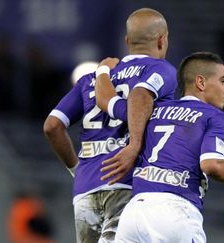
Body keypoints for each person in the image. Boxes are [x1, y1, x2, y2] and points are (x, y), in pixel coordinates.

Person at [43, 8, 177, 243]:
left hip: (85, 189)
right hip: (128, 182)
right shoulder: (160, 70)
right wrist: (135, 144)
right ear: (162, 39)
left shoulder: (90, 79)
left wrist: (77, 169)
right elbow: (140, 97)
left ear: (127, 41)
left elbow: (52, 126)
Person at [96, 52, 224, 242]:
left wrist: (102, 71)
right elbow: (211, 165)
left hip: (134, 214)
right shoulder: (215, 117)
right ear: (201, 82)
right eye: (223, 81)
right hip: (176, 212)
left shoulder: (151, 109)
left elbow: (106, 101)